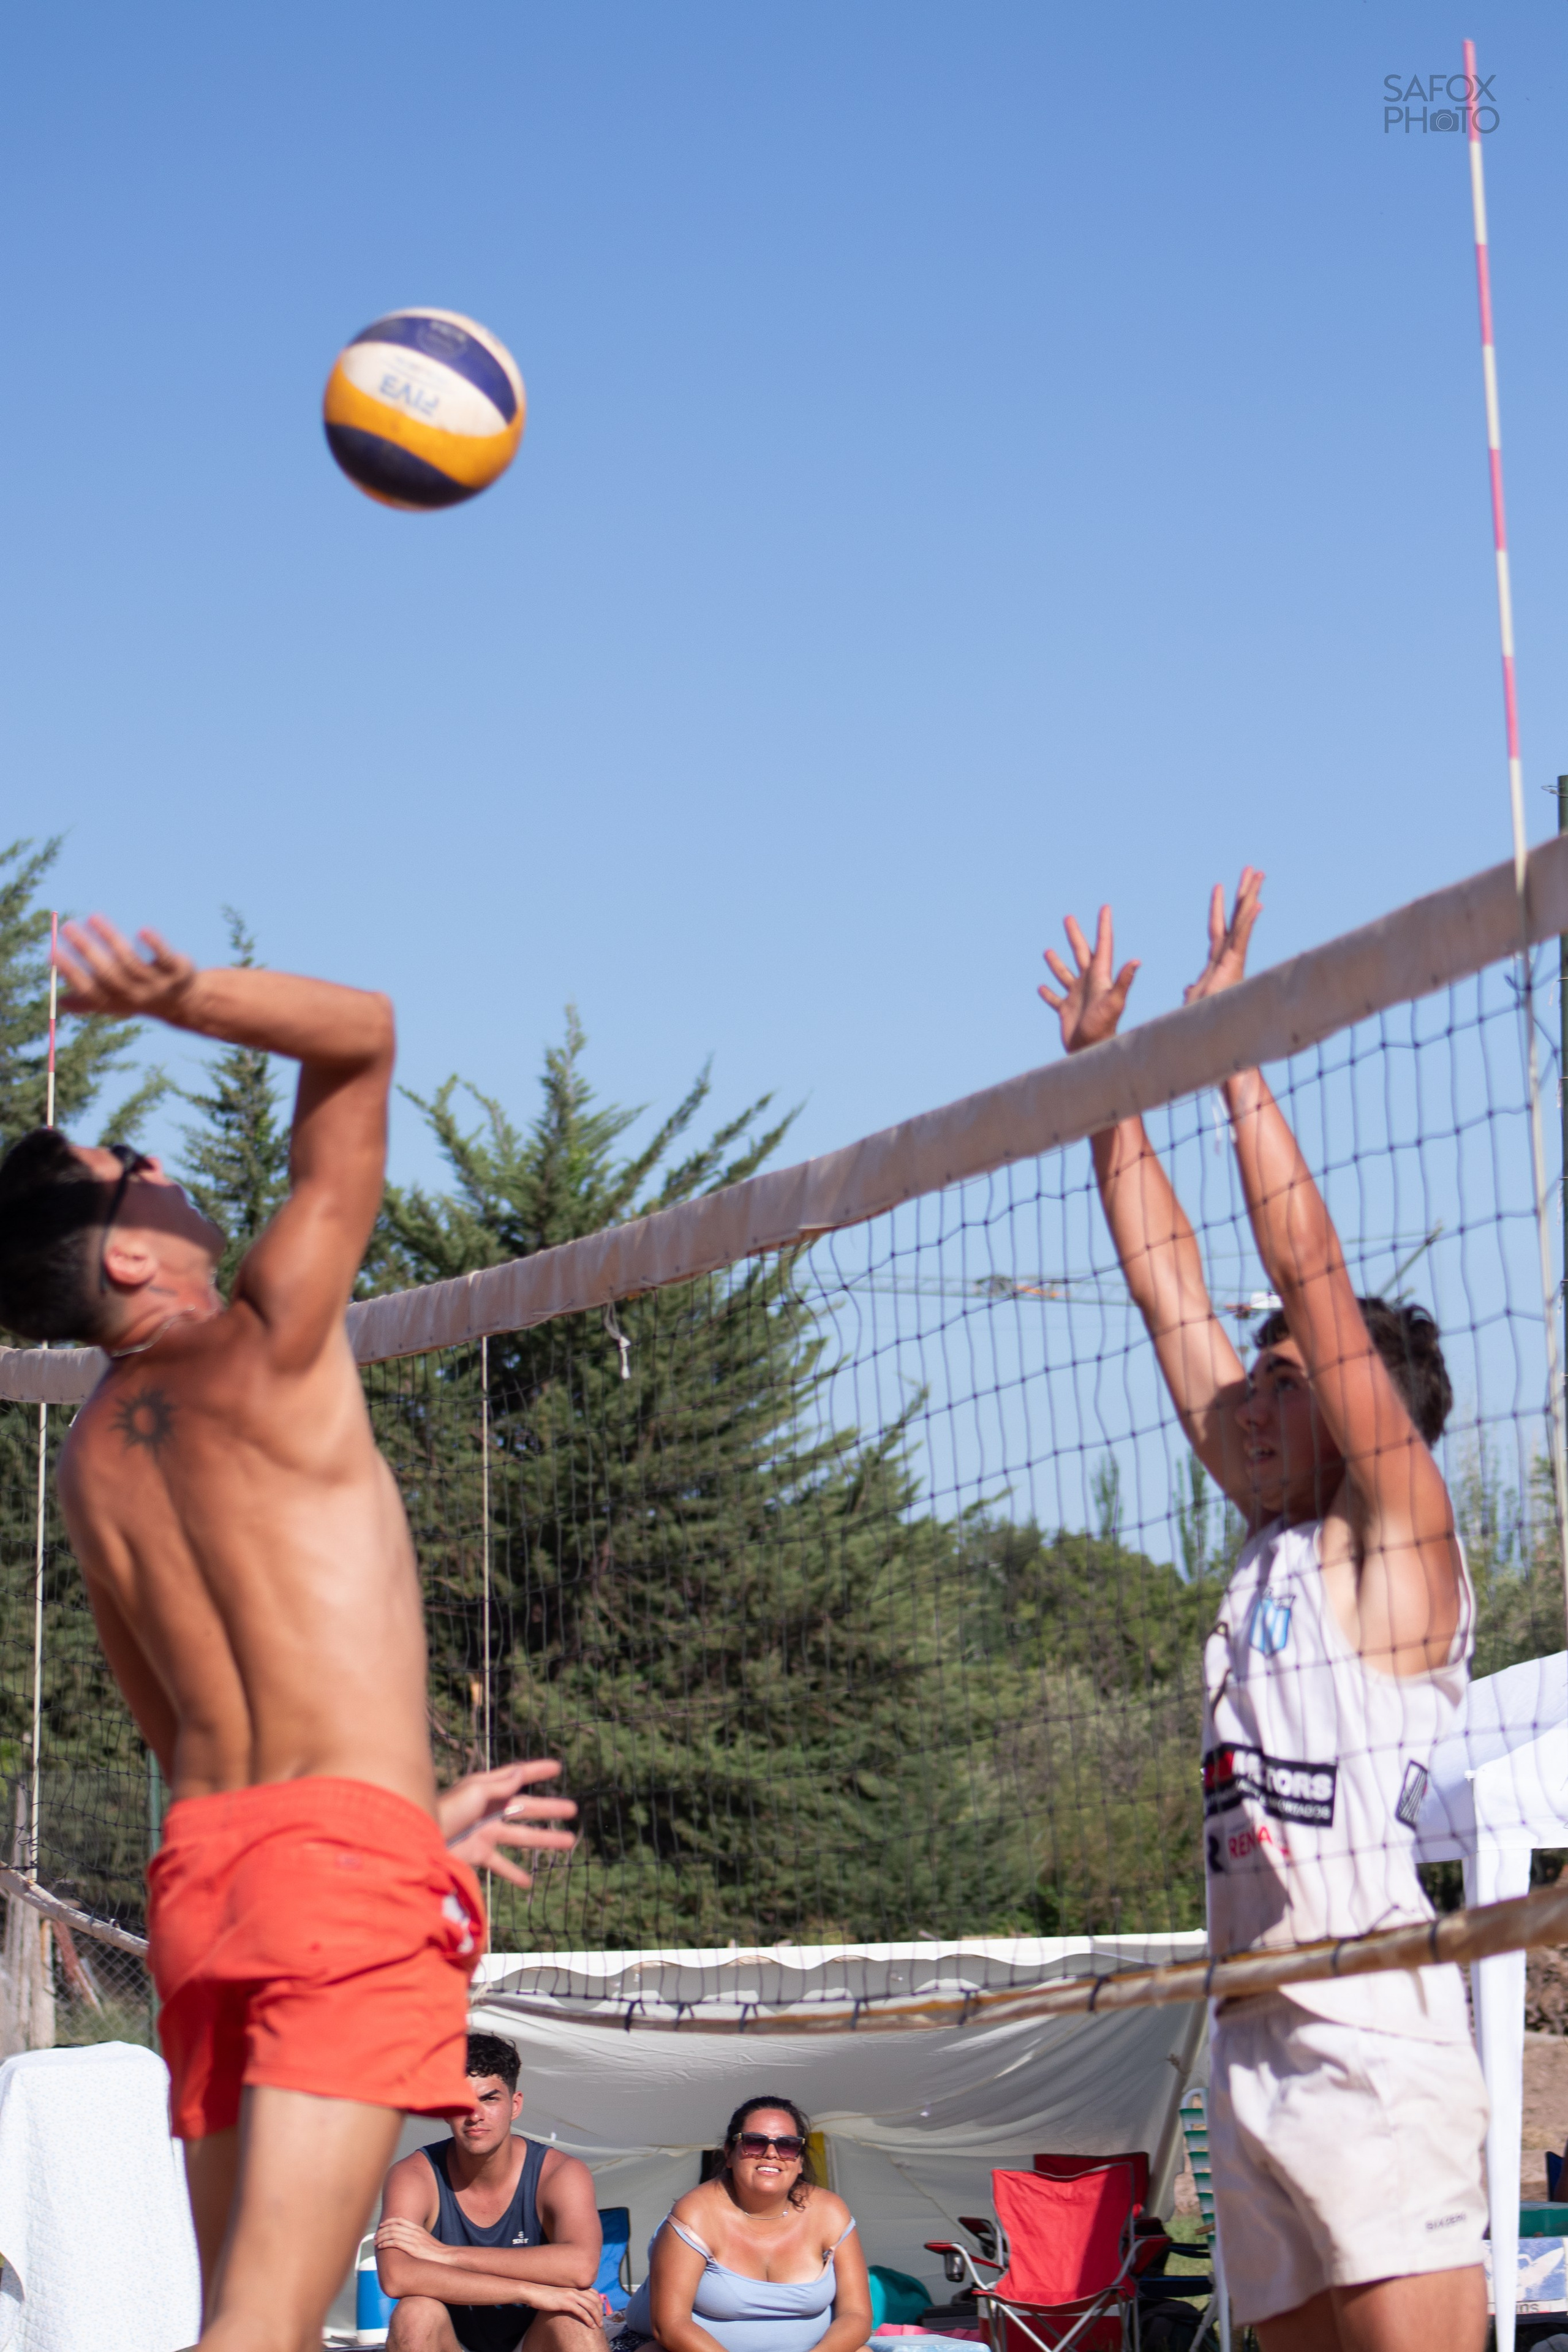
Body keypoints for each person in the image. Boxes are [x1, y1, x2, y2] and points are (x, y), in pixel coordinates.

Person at [0, 914, 579, 2352]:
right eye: (138, 1169)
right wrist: (183, 992)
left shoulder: (91, 1462)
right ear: (127, 1259)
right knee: (261, 2331)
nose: (167, 1168)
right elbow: (363, 1035)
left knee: (255, 2322)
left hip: (210, 1881)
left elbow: (180, 1727)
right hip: (338, 1877)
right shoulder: (266, 1336)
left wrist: (401, 1816)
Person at [1039, 871, 1488, 2352]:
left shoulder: (1394, 1535)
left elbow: (1310, 1270)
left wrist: (1230, 1052)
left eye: (1281, 1375)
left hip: (1367, 2034)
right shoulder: (1263, 1532)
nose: (1245, 1391)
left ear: (1354, 1409)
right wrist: (1107, 1085)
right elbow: (1171, 1294)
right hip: (1248, 2033)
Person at [375, 2032, 605, 2352]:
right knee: (414, 2314)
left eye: (490, 2099)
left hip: (534, 2341)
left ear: (515, 2105)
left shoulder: (560, 2173)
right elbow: (397, 2276)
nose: (475, 2115)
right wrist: (528, 2291)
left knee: (575, 2319)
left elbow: (581, 2267)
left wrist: (447, 2254)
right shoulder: (413, 2175)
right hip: (449, 2341)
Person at [612, 2095, 870, 2352]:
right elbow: (670, 2325)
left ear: (800, 2160)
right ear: (729, 2153)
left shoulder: (829, 2213)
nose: (771, 2153)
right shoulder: (696, 2214)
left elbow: (856, 2314)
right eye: (755, 2142)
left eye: (788, 2145)